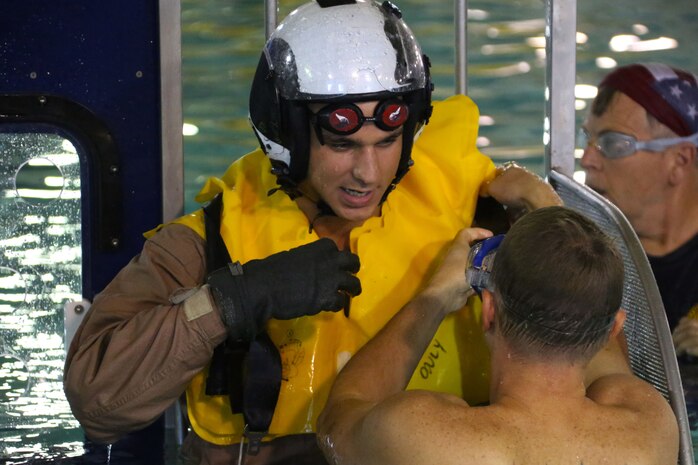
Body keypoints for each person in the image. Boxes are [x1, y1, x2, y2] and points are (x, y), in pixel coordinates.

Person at [63, 1, 560, 463]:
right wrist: (233, 299)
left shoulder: (477, 212)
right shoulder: (208, 241)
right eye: (343, 147)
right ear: (289, 138)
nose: (368, 172)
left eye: (387, 141)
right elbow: (97, 402)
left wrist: (548, 214)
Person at [317, 206, 679, 465]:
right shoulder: (650, 429)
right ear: (613, 329)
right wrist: (555, 218)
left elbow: (340, 418)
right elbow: (599, 340)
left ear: (488, 311)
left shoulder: (425, 437)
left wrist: (435, 297)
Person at [579, 63, 698, 359]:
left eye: (614, 143)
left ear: (679, 160)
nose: (587, 159)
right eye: (588, 139)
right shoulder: (583, 244)